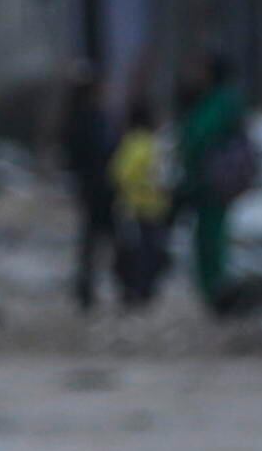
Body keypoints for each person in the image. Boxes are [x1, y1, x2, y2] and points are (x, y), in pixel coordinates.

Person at [172, 49, 256, 312]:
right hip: (212, 181)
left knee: (210, 239)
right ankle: (218, 292)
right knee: (210, 237)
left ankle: (218, 294)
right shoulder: (223, 99)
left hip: (212, 181)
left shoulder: (219, 101)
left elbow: (199, 136)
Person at [51, 58, 118, 312]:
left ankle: (94, 288)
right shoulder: (86, 118)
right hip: (96, 186)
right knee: (100, 238)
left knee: (95, 240)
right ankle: (96, 289)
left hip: (93, 185)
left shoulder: (81, 117)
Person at [106, 95, 175, 304]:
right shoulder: (154, 145)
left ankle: (133, 288)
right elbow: (164, 176)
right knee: (150, 251)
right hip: (154, 207)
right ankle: (144, 289)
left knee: (133, 252)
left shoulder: (132, 144)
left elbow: (119, 174)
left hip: (134, 207)